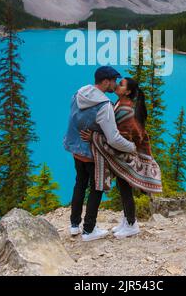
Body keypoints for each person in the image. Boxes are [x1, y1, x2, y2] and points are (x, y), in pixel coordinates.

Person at [81, 77, 162, 239]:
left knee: (125, 188)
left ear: (128, 91)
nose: (118, 85)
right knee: (123, 187)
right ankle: (127, 220)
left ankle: (132, 224)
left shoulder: (126, 110)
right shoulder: (119, 103)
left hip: (126, 155)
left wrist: (95, 137)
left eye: (122, 84)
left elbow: (121, 138)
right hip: (124, 154)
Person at [63, 66, 136, 242]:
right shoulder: (104, 105)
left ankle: (74, 225)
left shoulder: (79, 93)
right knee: (97, 188)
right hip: (92, 154)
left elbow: (74, 119)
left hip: (76, 151)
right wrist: (132, 147)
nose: (115, 84)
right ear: (105, 82)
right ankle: (89, 230)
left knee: (79, 185)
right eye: (113, 81)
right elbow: (113, 139)